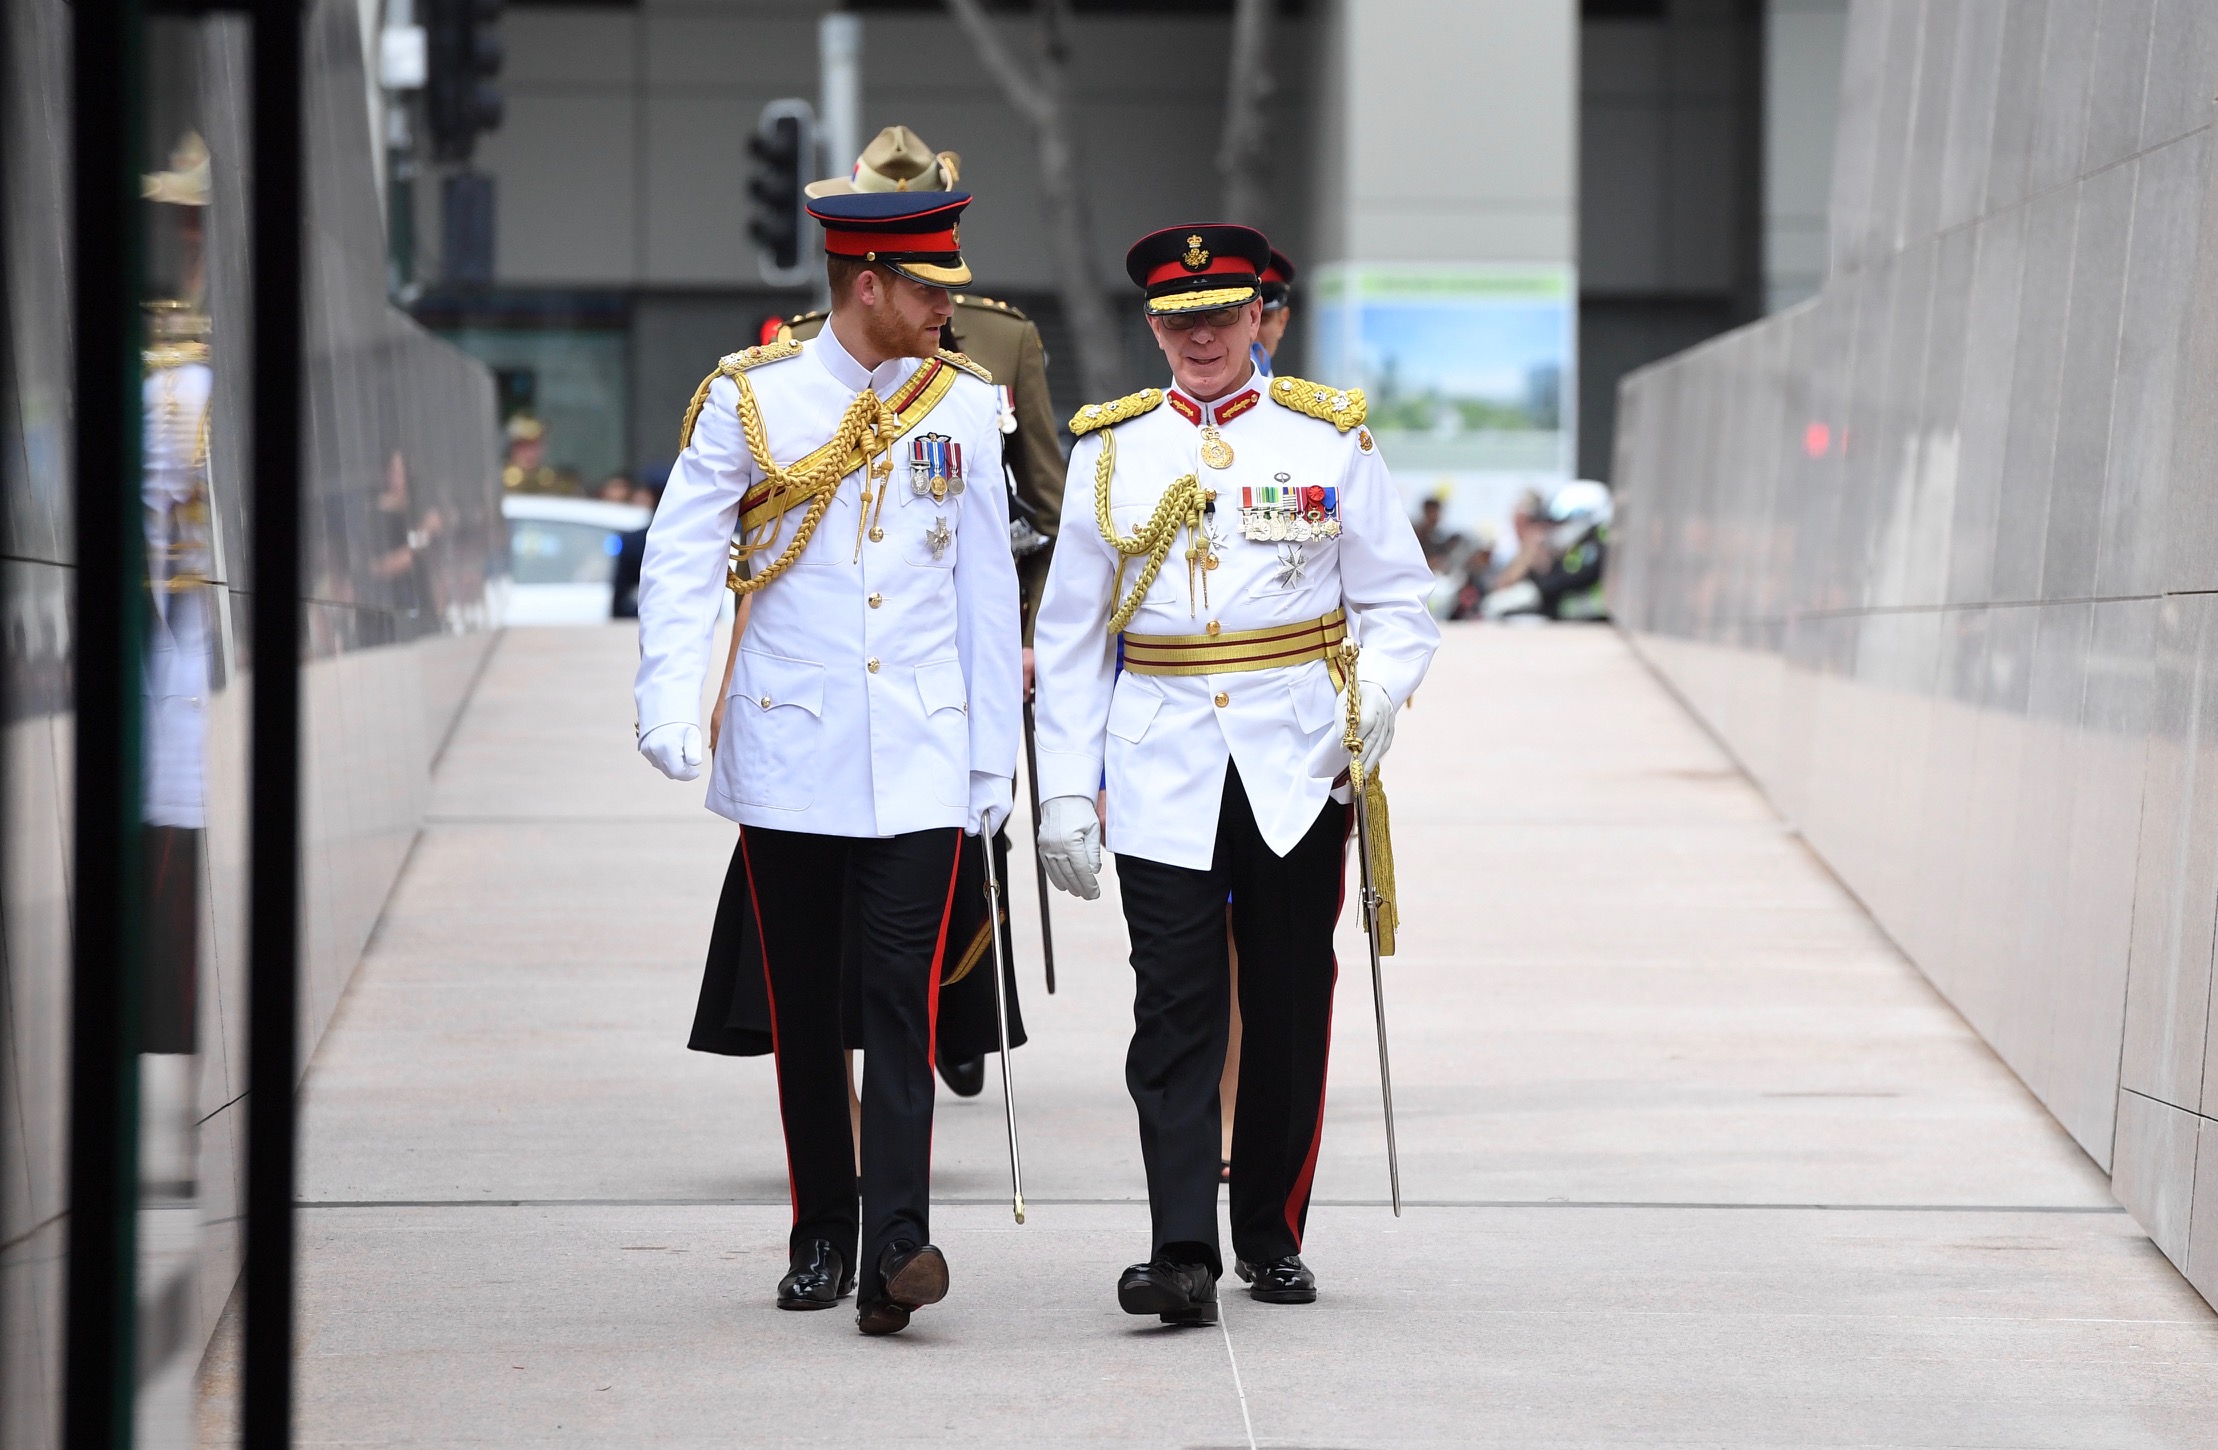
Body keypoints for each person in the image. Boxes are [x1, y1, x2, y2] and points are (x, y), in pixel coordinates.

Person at [1032, 223, 1439, 1323]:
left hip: (1295, 756)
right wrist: (1064, 788)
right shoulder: (1110, 451)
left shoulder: (1328, 439)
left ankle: (1267, 1226)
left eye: (1219, 317)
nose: (1199, 338)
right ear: (1152, 326)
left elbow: (1399, 604)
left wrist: (1371, 706)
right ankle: (1179, 1248)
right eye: (1177, 320)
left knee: (1289, 996)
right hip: (1159, 754)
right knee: (1172, 1006)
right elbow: (1070, 639)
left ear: (1259, 316)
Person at [633, 187, 1020, 1336]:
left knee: (904, 997)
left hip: (920, 753)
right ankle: (823, 1230)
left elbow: (984, 596)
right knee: (804, 1003)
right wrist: (668, 695)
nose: (947, 305)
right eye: (928, 287)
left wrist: (993, 761)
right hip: (790, 743)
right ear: (867, 285)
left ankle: (898, 1242)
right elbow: (683, 551)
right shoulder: (752, 400)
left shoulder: (967, 404)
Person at [701, 124, 1061, 1100]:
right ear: (864, 268)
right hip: (810, 690)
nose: (938, 296)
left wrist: (1018, 648)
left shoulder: (995, 347)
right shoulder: (791, 356)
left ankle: (950, 1032)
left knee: (940, 898)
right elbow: (759, 542)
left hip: (927, 678)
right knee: (801, 946)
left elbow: (1035, 510)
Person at [501, 413, 581, 496]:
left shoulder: (558, 482)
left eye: (534, 446)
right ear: (512, 447)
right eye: (523, 446)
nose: (529, 453)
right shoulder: (497, 481)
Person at [1250, 247, 1295, 376]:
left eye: (1262, 318)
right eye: (1232, 318)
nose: (1250, 334)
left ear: (1282, 321)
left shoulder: (1297, 396)